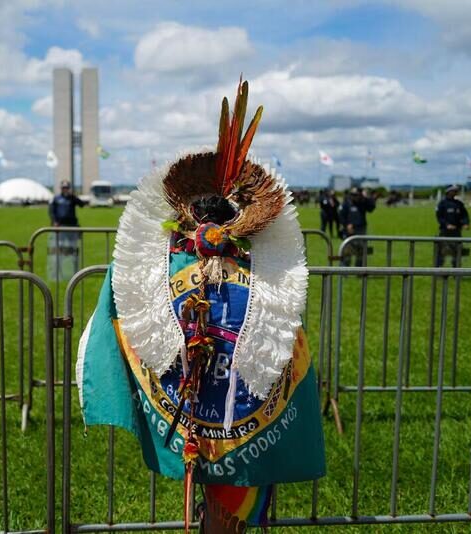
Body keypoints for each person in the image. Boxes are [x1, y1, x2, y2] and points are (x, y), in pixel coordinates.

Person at [77, 84, 324, 532]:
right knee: (221, 502)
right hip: (208, 407)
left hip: (219, 406)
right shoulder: (252, 269)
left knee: (222, 504)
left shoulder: (190, 266)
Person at [338, 187, 376, 266]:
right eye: (352, 194)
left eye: (356, 195)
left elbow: (371, 208)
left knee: (360, 252)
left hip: (361, 229)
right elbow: (341, 215)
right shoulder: (346, 203)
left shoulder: (363, 202)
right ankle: (344, 271)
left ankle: (359, 271)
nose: (354, 196)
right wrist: (346, 225)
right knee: (347, 251)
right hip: (348, 230)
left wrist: (366, 197)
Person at [435, 184, 470, 267]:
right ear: (448, 192)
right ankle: (437, 271)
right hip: (445, 232)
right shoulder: (442, 204)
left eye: (456, 191)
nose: (455, 192)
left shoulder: (459, 204)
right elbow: (439, 217)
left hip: (457, 232)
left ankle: (456, 271)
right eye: (453, 190)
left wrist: (465, 223)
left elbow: (464, 215)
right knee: (441, 252)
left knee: (457, 252)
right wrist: (447, 225)